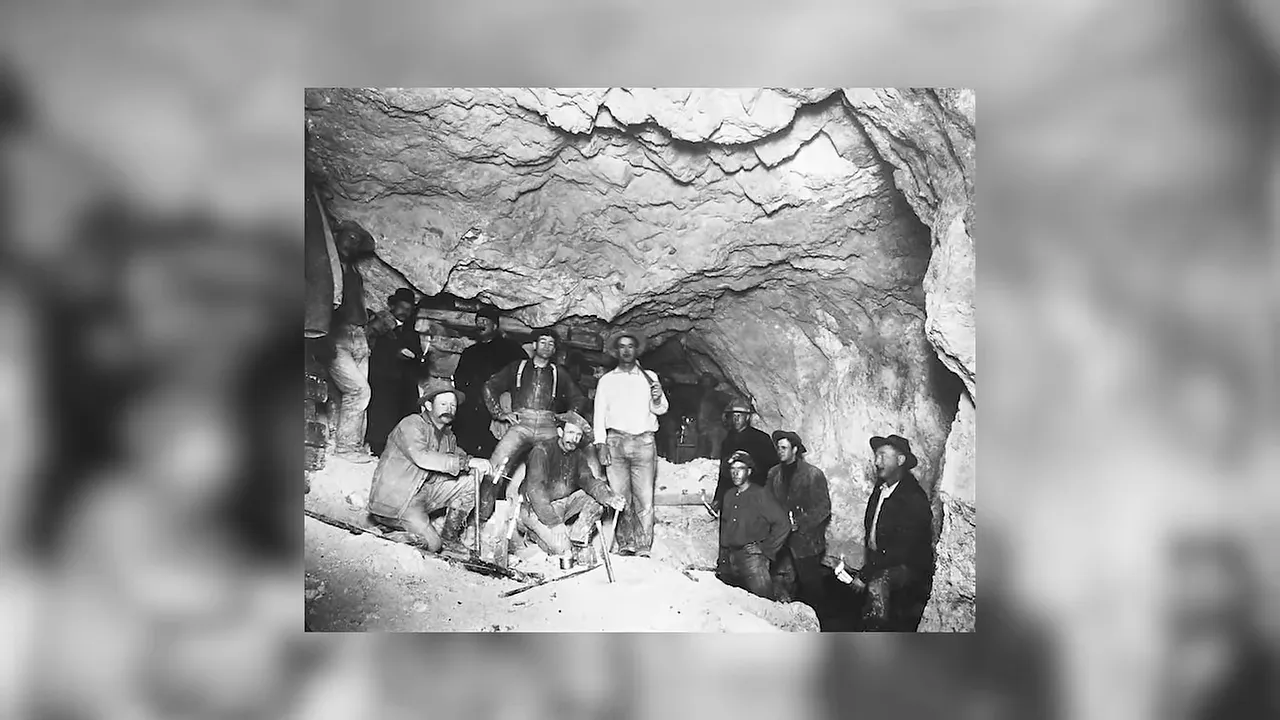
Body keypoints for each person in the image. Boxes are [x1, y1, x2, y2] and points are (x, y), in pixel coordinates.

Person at [366, 379, 491, 554]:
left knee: (470, 483)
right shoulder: (411, 424)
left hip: (421, 494)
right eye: (443, 404)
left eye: (453, 405)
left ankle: (449, 538)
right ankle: (380, 536)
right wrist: (466, 462)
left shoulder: (448, 436)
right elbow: (422, 457)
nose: (449, 408)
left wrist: (476, 462)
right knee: (433, 545)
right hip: (396, 501)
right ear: (428, 405)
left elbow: (457, 456)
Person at [481, 329, 587, 522]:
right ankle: (481, 519)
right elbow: (490, 387)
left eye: (551, 343)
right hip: (522, 423)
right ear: (535, 345)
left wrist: (565, 418)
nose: (546, 346)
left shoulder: (558, 373)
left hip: (548, 425)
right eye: (542, 341)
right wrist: (500, 414)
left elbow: (578, 398)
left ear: (554, 349)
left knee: (552, 470)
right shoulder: (517, 367)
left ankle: (536, 521)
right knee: (496, 467)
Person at [836, 434, 934, 631]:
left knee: (877, 588)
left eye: (882, 456)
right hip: (881, 561)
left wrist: (866, 575)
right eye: (875, 456)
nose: (876, 462)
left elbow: (901, 551)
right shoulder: (881, 489)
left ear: (900, 460)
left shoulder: (913, 499)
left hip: (906, 568)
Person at [593, 330, 669, 556]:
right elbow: (598, 415)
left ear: (637, 350)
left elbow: (662, 409)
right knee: (620, 496)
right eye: (622, 347)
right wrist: (600, 443)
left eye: (630, 346)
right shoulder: (607, 380)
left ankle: (644, 545)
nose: (626, 351)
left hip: (643, 442)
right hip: (615, 442)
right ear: (616, 351)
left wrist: (657, 397)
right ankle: (626, 543)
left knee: (645, 498)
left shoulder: (650, 377)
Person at [516, 411, 626, 559]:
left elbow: (588, 480)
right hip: (536, 508)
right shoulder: (541, 451)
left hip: (564, 503)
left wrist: (609, 497)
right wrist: (554, 523)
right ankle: (531, 531)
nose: (574, 439)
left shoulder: (578, 455)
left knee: (599, 499)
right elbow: (536, 491)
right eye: (571, 433)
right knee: (562, 550)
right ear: (560, 432)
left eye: (578, 435)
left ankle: (578, 537)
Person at [325, 222, 378, 464]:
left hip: (359, 336)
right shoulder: (327, 266)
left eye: (357, 241)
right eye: (350, 237)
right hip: (337, 335)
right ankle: (346, 448)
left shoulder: (353, 271)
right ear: (338, 236)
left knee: (357, 394)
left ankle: (352, 444)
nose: (351, 244)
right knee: (359, 391)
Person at [766, 430, 832, 606]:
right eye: (778, 448)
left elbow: (823, 508)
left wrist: (799, 522)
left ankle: (819, 621)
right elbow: (766, 502)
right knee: (782, 583)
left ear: (795, 449)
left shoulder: (813, 474)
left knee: (811, 587)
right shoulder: (773, 474)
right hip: (781, 540)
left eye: (784, 447)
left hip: (806, 542)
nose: (780, 451)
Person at [452, 307, 527, 458]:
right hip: (472, 407)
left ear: (495, 326)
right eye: (478, 321)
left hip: (498, 407)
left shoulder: (511, 348)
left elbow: (524, 373)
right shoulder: (470, 352)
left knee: (494, 449)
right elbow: (459, 378)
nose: (480, 324)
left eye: (485, 321)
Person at [364, 289, 431, 456]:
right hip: (382, 378)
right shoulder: (379, 324)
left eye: (409, 310)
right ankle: (378, 448)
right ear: (392, 306)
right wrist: (396, 352)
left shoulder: (410, 332)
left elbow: (416, 355)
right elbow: (370, 348)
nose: (405, 313)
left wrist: (418, 358)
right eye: (402, 308)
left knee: (407, 413)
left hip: (403, 382)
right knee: (382, 413)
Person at [716, 451, 790, 600]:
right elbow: (725, 526)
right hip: (731, 558)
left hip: (752, 560)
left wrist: (765, 548)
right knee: (738, 606)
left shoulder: (760, 495)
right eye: (733, 469)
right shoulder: (729, 495)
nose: (736, 473)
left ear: (749, 471)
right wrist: (722, 556)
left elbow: (783, 524)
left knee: (763, 602)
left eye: (741, 469)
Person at [712, 398, 779, 511]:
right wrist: (718, 498)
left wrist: (751, 461)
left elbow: (774, 469)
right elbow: (723, 474)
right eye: (734, 415)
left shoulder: (761, 439)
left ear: (747, 417)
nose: (736, 419)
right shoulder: (728, 441)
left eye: (740, 415)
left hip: (755, 495)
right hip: (733, 495)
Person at [695, 373, 728, 459]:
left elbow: (732, 402)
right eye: (704, 382)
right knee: (701, 455)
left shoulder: (718, 395)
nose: (706, 385)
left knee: (714, 452)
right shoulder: (698, 397)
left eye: (708, 382)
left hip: (715, 428)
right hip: (702, 429)